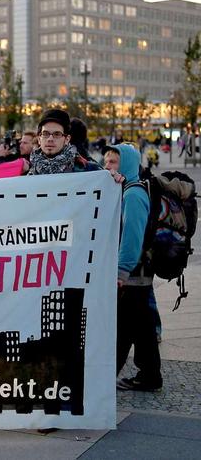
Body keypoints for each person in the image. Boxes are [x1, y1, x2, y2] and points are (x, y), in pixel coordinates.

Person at [103, 145, 163, 392]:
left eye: (114, 162)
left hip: (133, 274)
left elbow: (132, 238)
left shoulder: (133, 194)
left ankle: (103, 381)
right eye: (106, 161)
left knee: (123, 328)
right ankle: (150, 376)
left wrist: (120, 272)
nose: (108, 167)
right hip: (137, 273)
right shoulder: (125, 190)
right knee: (143, 326)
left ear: (127, 164)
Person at [26, 109, 103, 175]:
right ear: (39, 139)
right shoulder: (29, 174)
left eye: (57, 134)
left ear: (67, 139)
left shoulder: (90, 170)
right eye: (45, 134)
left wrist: (112, 179)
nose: (50, 139)